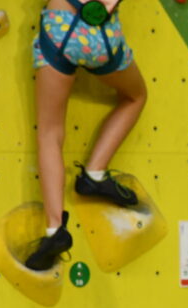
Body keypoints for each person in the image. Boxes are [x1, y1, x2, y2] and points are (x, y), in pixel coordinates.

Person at [26, 0, 148, 271]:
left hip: (61, 28)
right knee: (135, 97)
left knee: (50, 134)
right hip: (104, 35)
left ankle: (55, 229)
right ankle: (94, 174)